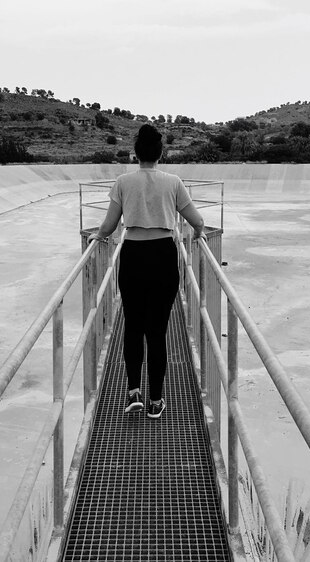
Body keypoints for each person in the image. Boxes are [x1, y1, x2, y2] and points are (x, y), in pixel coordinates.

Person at [88, 124, 205, 419]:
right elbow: (196, 220)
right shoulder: (173, 182)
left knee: (133, 326)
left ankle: (133, 393)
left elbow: (110, 225)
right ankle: (156, 401)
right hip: (164, 256)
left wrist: (98, 237)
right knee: (157, 331)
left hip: (133, 257)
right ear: (161, 153)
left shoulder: (123, 182)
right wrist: (199, 233)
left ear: (135, 154)